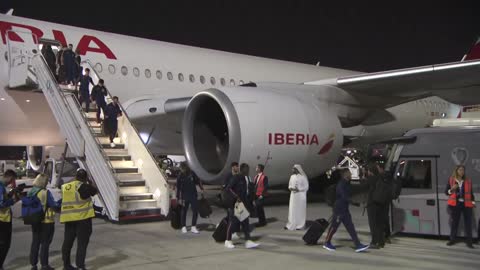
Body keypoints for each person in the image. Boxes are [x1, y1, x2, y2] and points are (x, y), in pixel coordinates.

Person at [323, 168, 369, 252]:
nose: (351, 174)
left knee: (350, 227)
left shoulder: (346, 183)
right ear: (345, 175)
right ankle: (327, 243)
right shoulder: (341, 184)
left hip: (345, 209)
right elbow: (344, 197)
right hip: (339, 209)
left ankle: (358, 245)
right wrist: (356, 203)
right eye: (349, 173)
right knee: (334, 227)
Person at [61, 169, 98, 270]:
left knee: (67, 243)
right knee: (82, 244)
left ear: (76, 176)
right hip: (82, 219)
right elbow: (94, 191)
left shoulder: (65, 187)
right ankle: (80, 266)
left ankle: (66, 265)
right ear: (85, 178)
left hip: (68, 219)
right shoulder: (84, 186)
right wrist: (90, 182)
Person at [224, 163, 260, 249]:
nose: (248, 171)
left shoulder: (244, 178)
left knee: (245, 222)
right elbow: (228, 188)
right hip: (235, 204)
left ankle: (248, 241)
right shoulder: (236, 177)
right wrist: (236, 197)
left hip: (242, 204)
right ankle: (227, 241)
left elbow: (245, 192)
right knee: (232, 222)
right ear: (243, 169)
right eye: (247, 169)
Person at [28, 173, 60, 270]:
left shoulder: (31, 192)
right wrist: (60, 202)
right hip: (46, 221)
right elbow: (54, 206)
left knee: (35, 242)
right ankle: (44, 265)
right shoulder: (45, 192)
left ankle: (33, 265)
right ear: (44, 182)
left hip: (35, 220)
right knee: (45, 244)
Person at [445, 165, 475, 248]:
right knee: (454, 223)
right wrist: (452, 189)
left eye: (463, 170)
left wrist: (473, 202)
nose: (462, 171)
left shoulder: (468, 180)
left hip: (466, 205)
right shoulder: (451, 180)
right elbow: (446, 192)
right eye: (460, 170)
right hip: (455, 204)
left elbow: (471, 193)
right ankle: (452, 240)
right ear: (456, 171)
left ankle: (469, 243)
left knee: (468, 224)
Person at [176, 162, 204, 234]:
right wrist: (178, 197)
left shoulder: (192, 173)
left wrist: (201, 188)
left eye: (182, 168)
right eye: (181, 168)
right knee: (184, 211)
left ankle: (193, 227)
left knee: (195, 211)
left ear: (185, 167)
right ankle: (183, 227)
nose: (181, 170)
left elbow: (197, 181)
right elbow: (178, 188)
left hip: (193, 195)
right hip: (184, 196)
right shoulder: (180, 175)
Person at [364, 163, 385, 249]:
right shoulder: (380, 177)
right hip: (380, 203)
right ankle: (381, 242)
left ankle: (374, 242)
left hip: (372, 204)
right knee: (379, 224)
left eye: (368, 170)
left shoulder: (371, 179)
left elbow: (363, 187)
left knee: (373, 224)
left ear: (371, 171)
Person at [0, 170, 17, 270]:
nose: (11, 182)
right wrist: (13, 200)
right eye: (12, 180)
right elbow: (1, 204)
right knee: (4, 244)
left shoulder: (2, 187)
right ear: (9, 177)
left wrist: (10, 194)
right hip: (3, 219)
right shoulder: (0, 187)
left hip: (3, 218)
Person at [285, 164, 309, 230]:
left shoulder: (303, 177)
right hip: (293, 195)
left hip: (300, 196)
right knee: (292, 210)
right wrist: (291, 188)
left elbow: (306, 187)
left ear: (297, 170)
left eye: (293, 169)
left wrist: (299, 189)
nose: (292, 170)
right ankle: (291, 224)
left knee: (300, 210)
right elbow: (289, 185)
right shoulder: (292, 177)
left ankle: (300, 225)